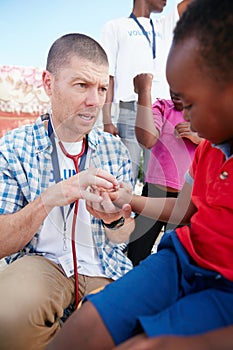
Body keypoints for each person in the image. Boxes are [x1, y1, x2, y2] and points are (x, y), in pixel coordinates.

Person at [46, 1, 233, 349]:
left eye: (189, 105)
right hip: (180, 260)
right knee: (85, 326)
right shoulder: (209, 150)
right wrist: (127, 199)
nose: (184, 118)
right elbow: (182, 210)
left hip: (225, 289)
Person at [0, 33, 135, 350]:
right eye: (81, 86)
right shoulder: (13, 148)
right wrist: (52, 197)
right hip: (42, 263)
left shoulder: (116, 151)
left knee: (139, 326)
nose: (94, 101)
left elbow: (122, 237)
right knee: (6, 318)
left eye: (101, 88)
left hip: (106, 268)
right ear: (48, 83)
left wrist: (114, 219)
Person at [100, 0, 190, 185]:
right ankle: (120, 214)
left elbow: (189, 5)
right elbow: (109, 75)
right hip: (131, 108)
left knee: (157, 177)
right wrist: (107, 120)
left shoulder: (163, 25)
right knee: (125, 175)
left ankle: (147, 214)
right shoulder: (116, 26)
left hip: (163, 111)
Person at [128, 75, 202, 265]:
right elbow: (147, 139)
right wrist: (144, 93)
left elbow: (219, 146)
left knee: (176, 258)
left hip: (185, 199)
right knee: (136, 254)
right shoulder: (162, 107)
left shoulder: (204, 116)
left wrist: (199, 137)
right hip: (154, 194)